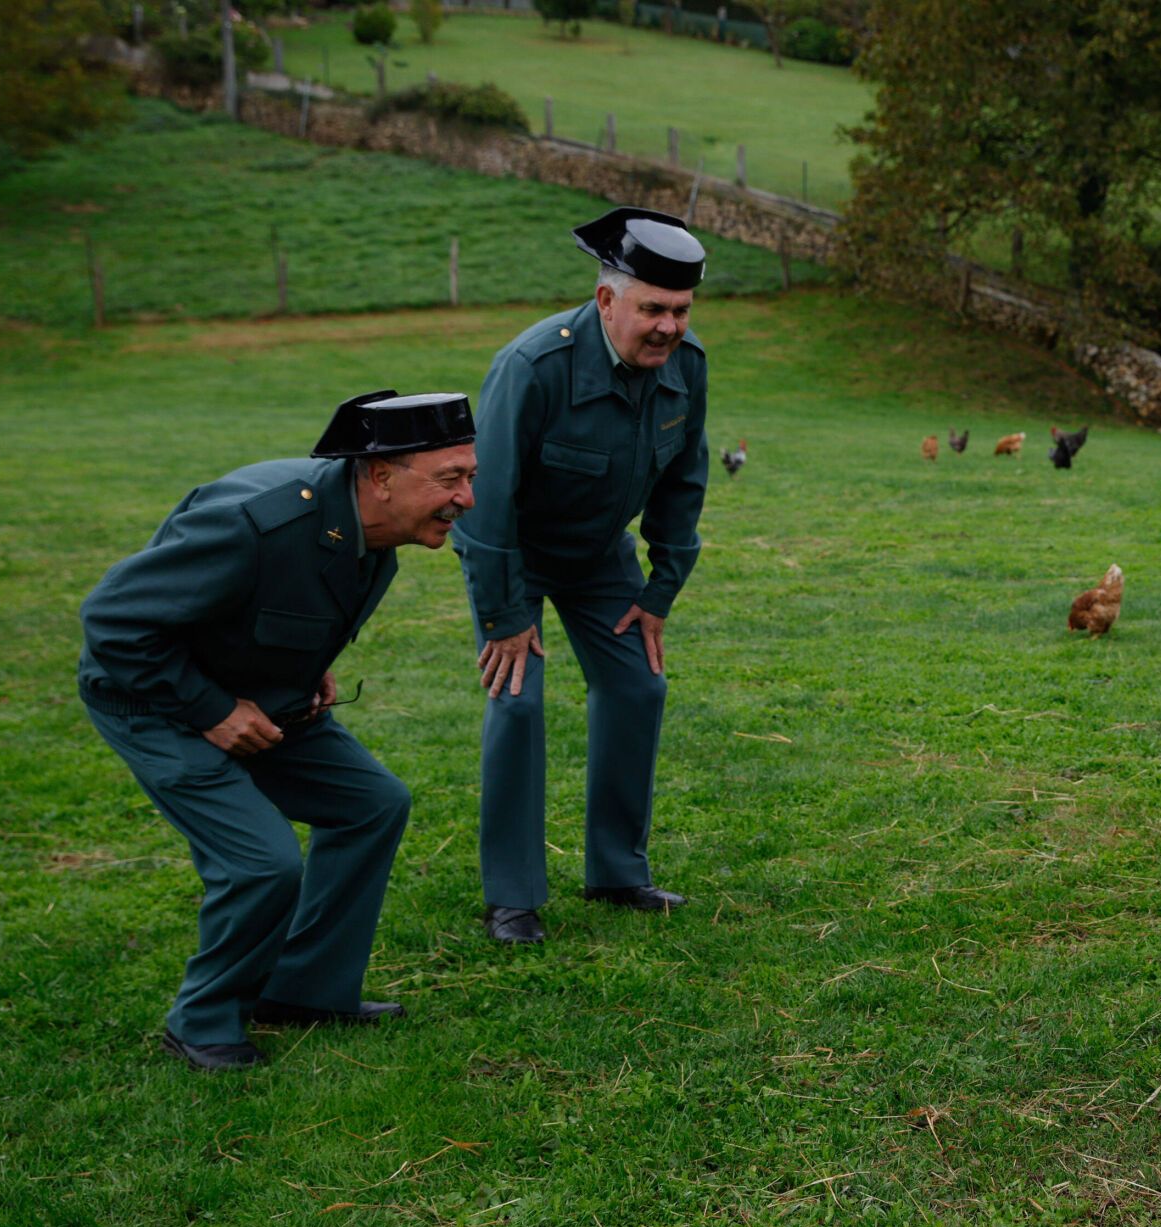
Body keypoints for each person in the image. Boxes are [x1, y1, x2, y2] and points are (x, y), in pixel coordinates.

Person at [78, 391, 478, 1071]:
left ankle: (304, 992)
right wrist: (212, 710)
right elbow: (114, 623)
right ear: (379, 476)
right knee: (262, 863)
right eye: (449, 480)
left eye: (471, 476)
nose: (467, 498)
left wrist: (307, 669)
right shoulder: (254, 522)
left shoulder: (371, 526)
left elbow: (290, 605)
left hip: (263, 696)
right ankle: (201, 1023)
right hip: (150, 698)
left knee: (371, 806)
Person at [454, 206, 711, 944]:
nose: (668, 327)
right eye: (652, 309)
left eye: (681, 310)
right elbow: (484, 503)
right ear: (606, 300)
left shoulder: (687, 367)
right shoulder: (533, 367)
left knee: (638, 683)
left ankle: (617, 872)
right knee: (518, 703)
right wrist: (506, 616)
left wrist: (659, 593)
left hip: (600, 555)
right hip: (515, 551)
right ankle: (512, 897)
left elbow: (684, 483)